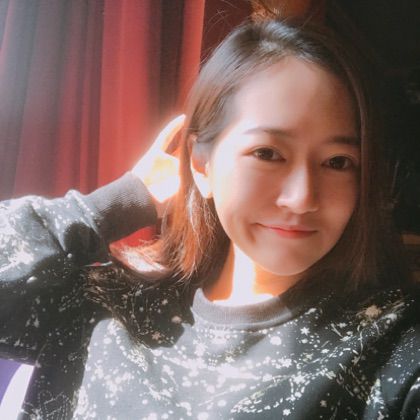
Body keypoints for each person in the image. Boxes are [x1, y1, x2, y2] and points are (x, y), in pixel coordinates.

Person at [1, 18, 419, 419]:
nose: (302, 198)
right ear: (202, 165)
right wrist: (121, 201)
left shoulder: (393, 343)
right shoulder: (109, 307)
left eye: (338, 162)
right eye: (268, 153)